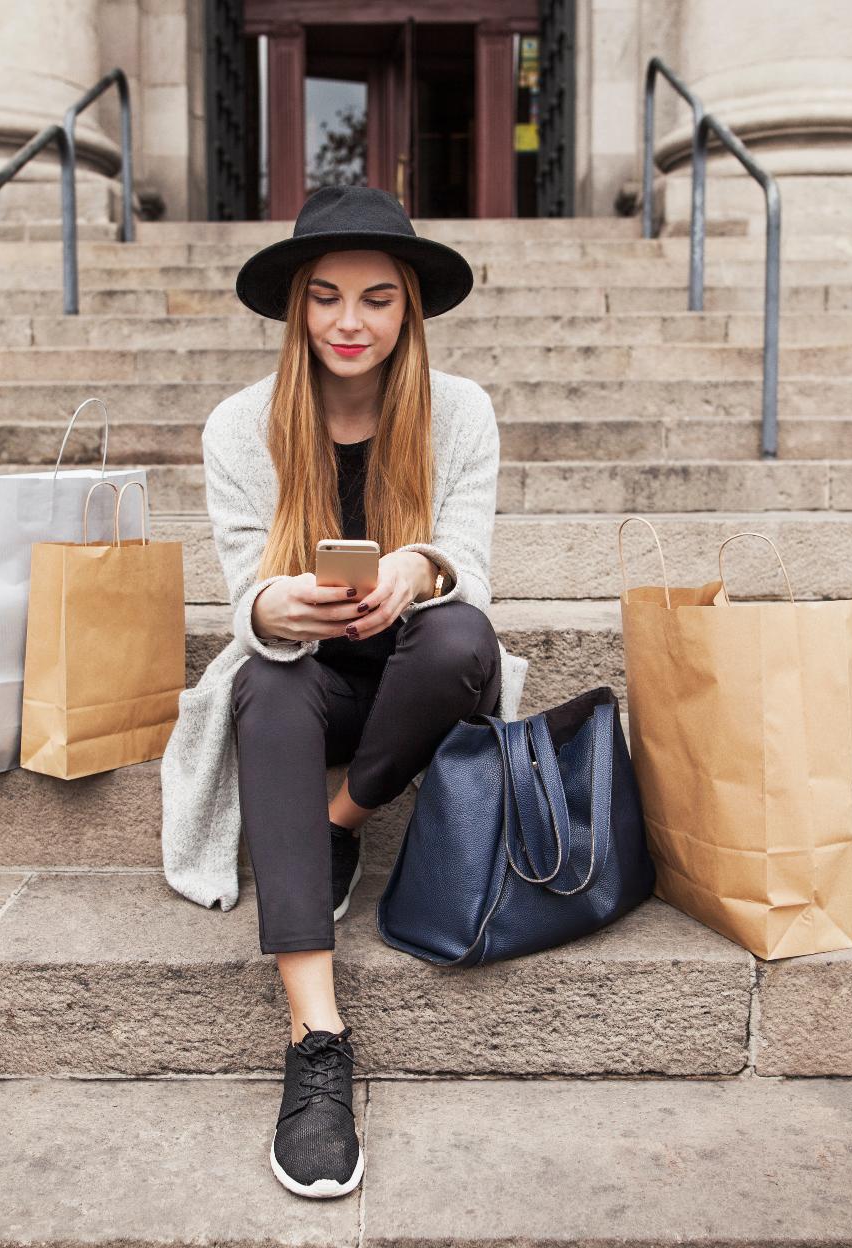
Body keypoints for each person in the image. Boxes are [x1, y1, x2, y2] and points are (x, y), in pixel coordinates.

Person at [158, 184, 529, 1199]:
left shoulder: (461, 414)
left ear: (408, 308)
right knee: (268, 688)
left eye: (375, 299)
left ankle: (337, 819)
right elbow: (244, 590)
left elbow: (476, 573)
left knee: (461, 636)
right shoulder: (242, 426)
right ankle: (316, 1043)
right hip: (305, 684)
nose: (349, 323)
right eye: (325, 298)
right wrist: (275, 607)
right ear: (297, 310)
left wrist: (424, 567)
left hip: (419, 684)